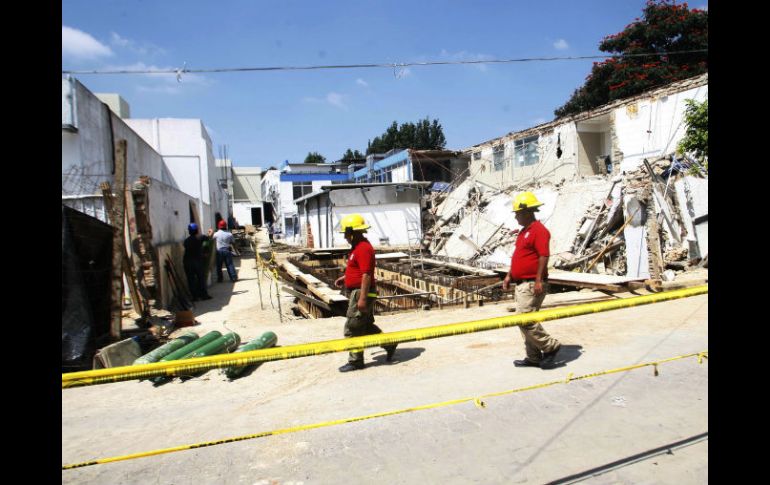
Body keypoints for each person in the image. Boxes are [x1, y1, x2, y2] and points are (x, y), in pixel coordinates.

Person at [502, 191, 562, 369]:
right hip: (521, 283)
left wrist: (538, 281)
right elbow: (519, 257)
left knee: (524, 319)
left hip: (531, 283)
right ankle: (534, 357)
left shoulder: (539, 231)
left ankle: (551, 347)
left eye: (517, 213)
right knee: (524, 321)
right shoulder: (524, 232)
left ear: (527, 212)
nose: (516, 217)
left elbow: (544, 255)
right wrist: (508, 275)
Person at [334, 214, 397, 372]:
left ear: (352, 232)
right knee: (365, 325)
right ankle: (389, 343)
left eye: (345, 233)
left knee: (352, 327)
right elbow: (359, 270)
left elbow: (367, 274)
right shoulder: (357, 247)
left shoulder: (363, 248)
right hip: (358, 291)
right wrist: (346, 277)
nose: (344, 236)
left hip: (362, 293)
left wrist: (362, 299)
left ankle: (356, 361)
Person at [183, 223, 213, 301]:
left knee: (191, 279)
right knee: (201, 278)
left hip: (187, 262)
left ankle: (194, 297)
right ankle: (203, 295)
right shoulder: (200, 238)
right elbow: (208, 237)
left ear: (189, 231)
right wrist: (210, 232)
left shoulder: (186, 241)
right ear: (196, 230)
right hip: (197, 262)